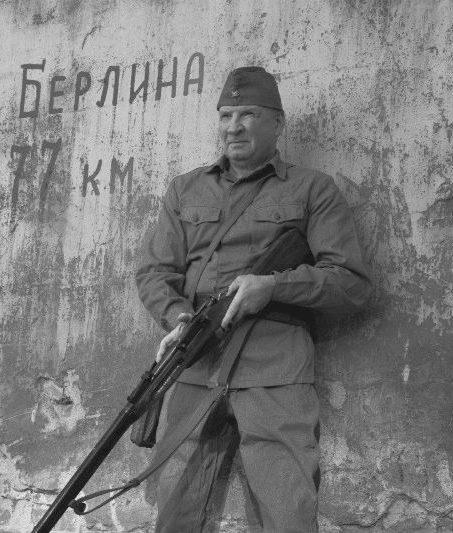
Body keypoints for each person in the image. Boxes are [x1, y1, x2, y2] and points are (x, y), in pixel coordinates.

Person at [135, 66, 372, 532]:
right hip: (197, 359)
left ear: (277, 123)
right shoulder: (185, 189)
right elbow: (154, 272)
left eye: (248, 114)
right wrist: (179, 317)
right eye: (226, 115)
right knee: (176, 506)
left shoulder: (312, 188)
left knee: (286, 510)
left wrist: (273, 287)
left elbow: (352, 282)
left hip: (275, 367)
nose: (234, 127)